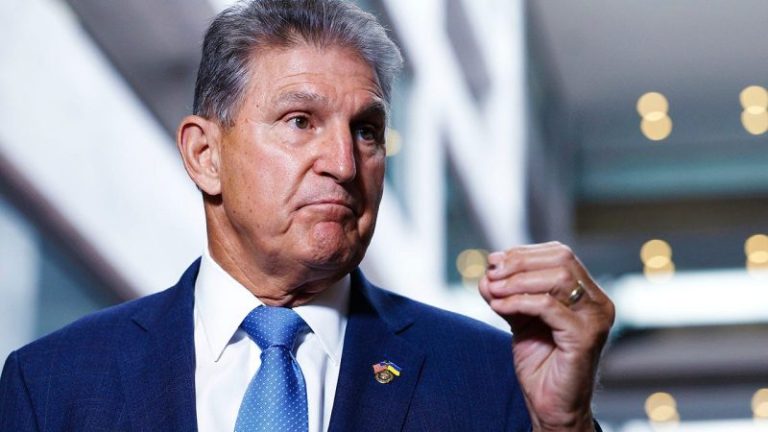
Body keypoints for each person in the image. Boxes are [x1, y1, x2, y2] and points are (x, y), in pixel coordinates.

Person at [0, 0, 615, 431]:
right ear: (205, 155)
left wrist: (563, 427)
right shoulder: (52, 384)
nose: (344, 164)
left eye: (367, 131)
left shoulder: (490, 378)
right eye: (300, 121)